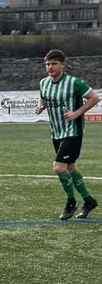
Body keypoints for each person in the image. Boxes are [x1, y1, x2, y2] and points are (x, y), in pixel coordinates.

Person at [34, 49, 99, 220]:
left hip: (73, 131)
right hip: (56, 131)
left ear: (63, 65)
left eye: (54, 63)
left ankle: (71, 202)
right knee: (70, 167)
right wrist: (41, 106)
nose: (50, 67)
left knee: (59, 167)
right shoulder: (43, 83)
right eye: (47, 64)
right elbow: (44, 97)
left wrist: (78, 113)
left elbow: (94, 98)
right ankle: (89, 201)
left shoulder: (75, 83)